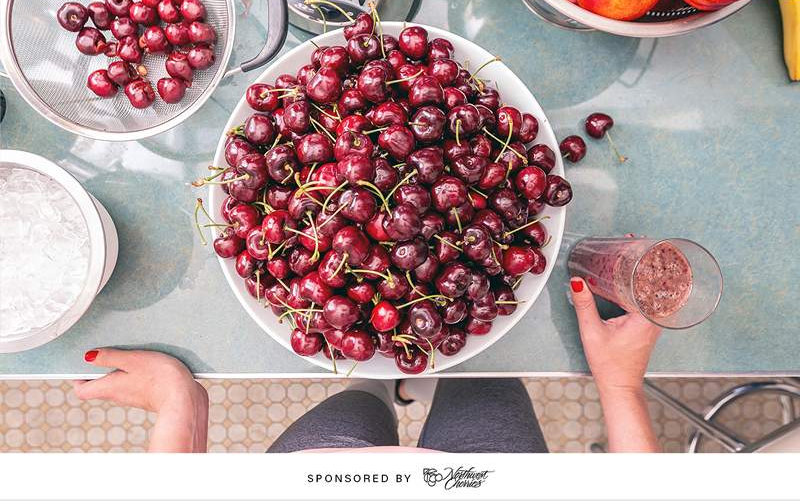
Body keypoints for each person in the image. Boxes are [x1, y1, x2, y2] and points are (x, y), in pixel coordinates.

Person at [72, 277, 662, 453]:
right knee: (486, 384)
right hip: (493, 477)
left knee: (356, 401)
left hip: (319, 477)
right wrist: (619, 384)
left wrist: (182, 404)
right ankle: (408, 374)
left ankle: (382, 385)